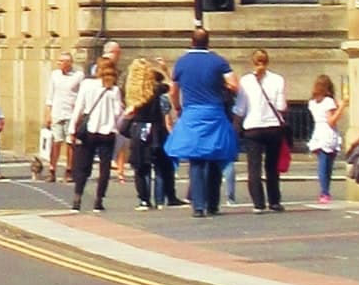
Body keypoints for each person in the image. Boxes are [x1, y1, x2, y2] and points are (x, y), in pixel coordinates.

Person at [166, 26, 241, 218]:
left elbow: (173, 91)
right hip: (214, 113)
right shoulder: (218, 61)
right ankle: (213, 204)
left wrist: (178, 108)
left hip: (192, 113)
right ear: (208, 41)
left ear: (191, 41)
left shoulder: (182, 62)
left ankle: (198, 206)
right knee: (215, 157)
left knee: (196, 160)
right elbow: (234, 85)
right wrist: (220, 85)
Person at [71, 45, 124, 209]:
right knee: (104, 168)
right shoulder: (114, 90)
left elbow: (78, 108)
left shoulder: (87, 84)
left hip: (89, 132)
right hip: (107, 133)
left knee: (83, 166)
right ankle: (98, 201)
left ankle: (77, 198)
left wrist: (72, 129)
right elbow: (117, 113)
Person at [237, 47, 290, 209]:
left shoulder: (245, 81)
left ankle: (258, 203)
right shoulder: (278, 80)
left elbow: (240, 108)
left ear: (252, 62)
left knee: (254, 167)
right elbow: (281, 106)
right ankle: (274, 201)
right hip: (273, 126)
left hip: (252, 127)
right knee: (272, 166)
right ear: (268, 62)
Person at [121, 57, 171, 210]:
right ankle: (160, 199)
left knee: (140, 168)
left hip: (138, 129)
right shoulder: (155, 89)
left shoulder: (130, 91)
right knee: (161, 165)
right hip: (155, 129)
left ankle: (144, 200)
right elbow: (170, 86)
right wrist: (165, 69)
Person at [42, 51, 82, 186]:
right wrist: (47, 114)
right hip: (57, 113)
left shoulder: (78, 75)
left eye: (61, 61)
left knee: (71, 143)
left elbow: (81, 96)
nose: (59, 63)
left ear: (68, 63)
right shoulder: (55, 75)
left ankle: (69, 169)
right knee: (56, 142)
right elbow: (50, 95)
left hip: (71, 113)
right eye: (59, 61)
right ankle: (52, 169)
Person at [307, 71, 344, 201]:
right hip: (328, 132)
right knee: (327, 165)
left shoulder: (312, 102)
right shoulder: (328, 101)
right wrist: (341, 107)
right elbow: (331, 120)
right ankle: (324, 191)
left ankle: (325, 191)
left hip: (318, 131)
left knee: (323, 163)